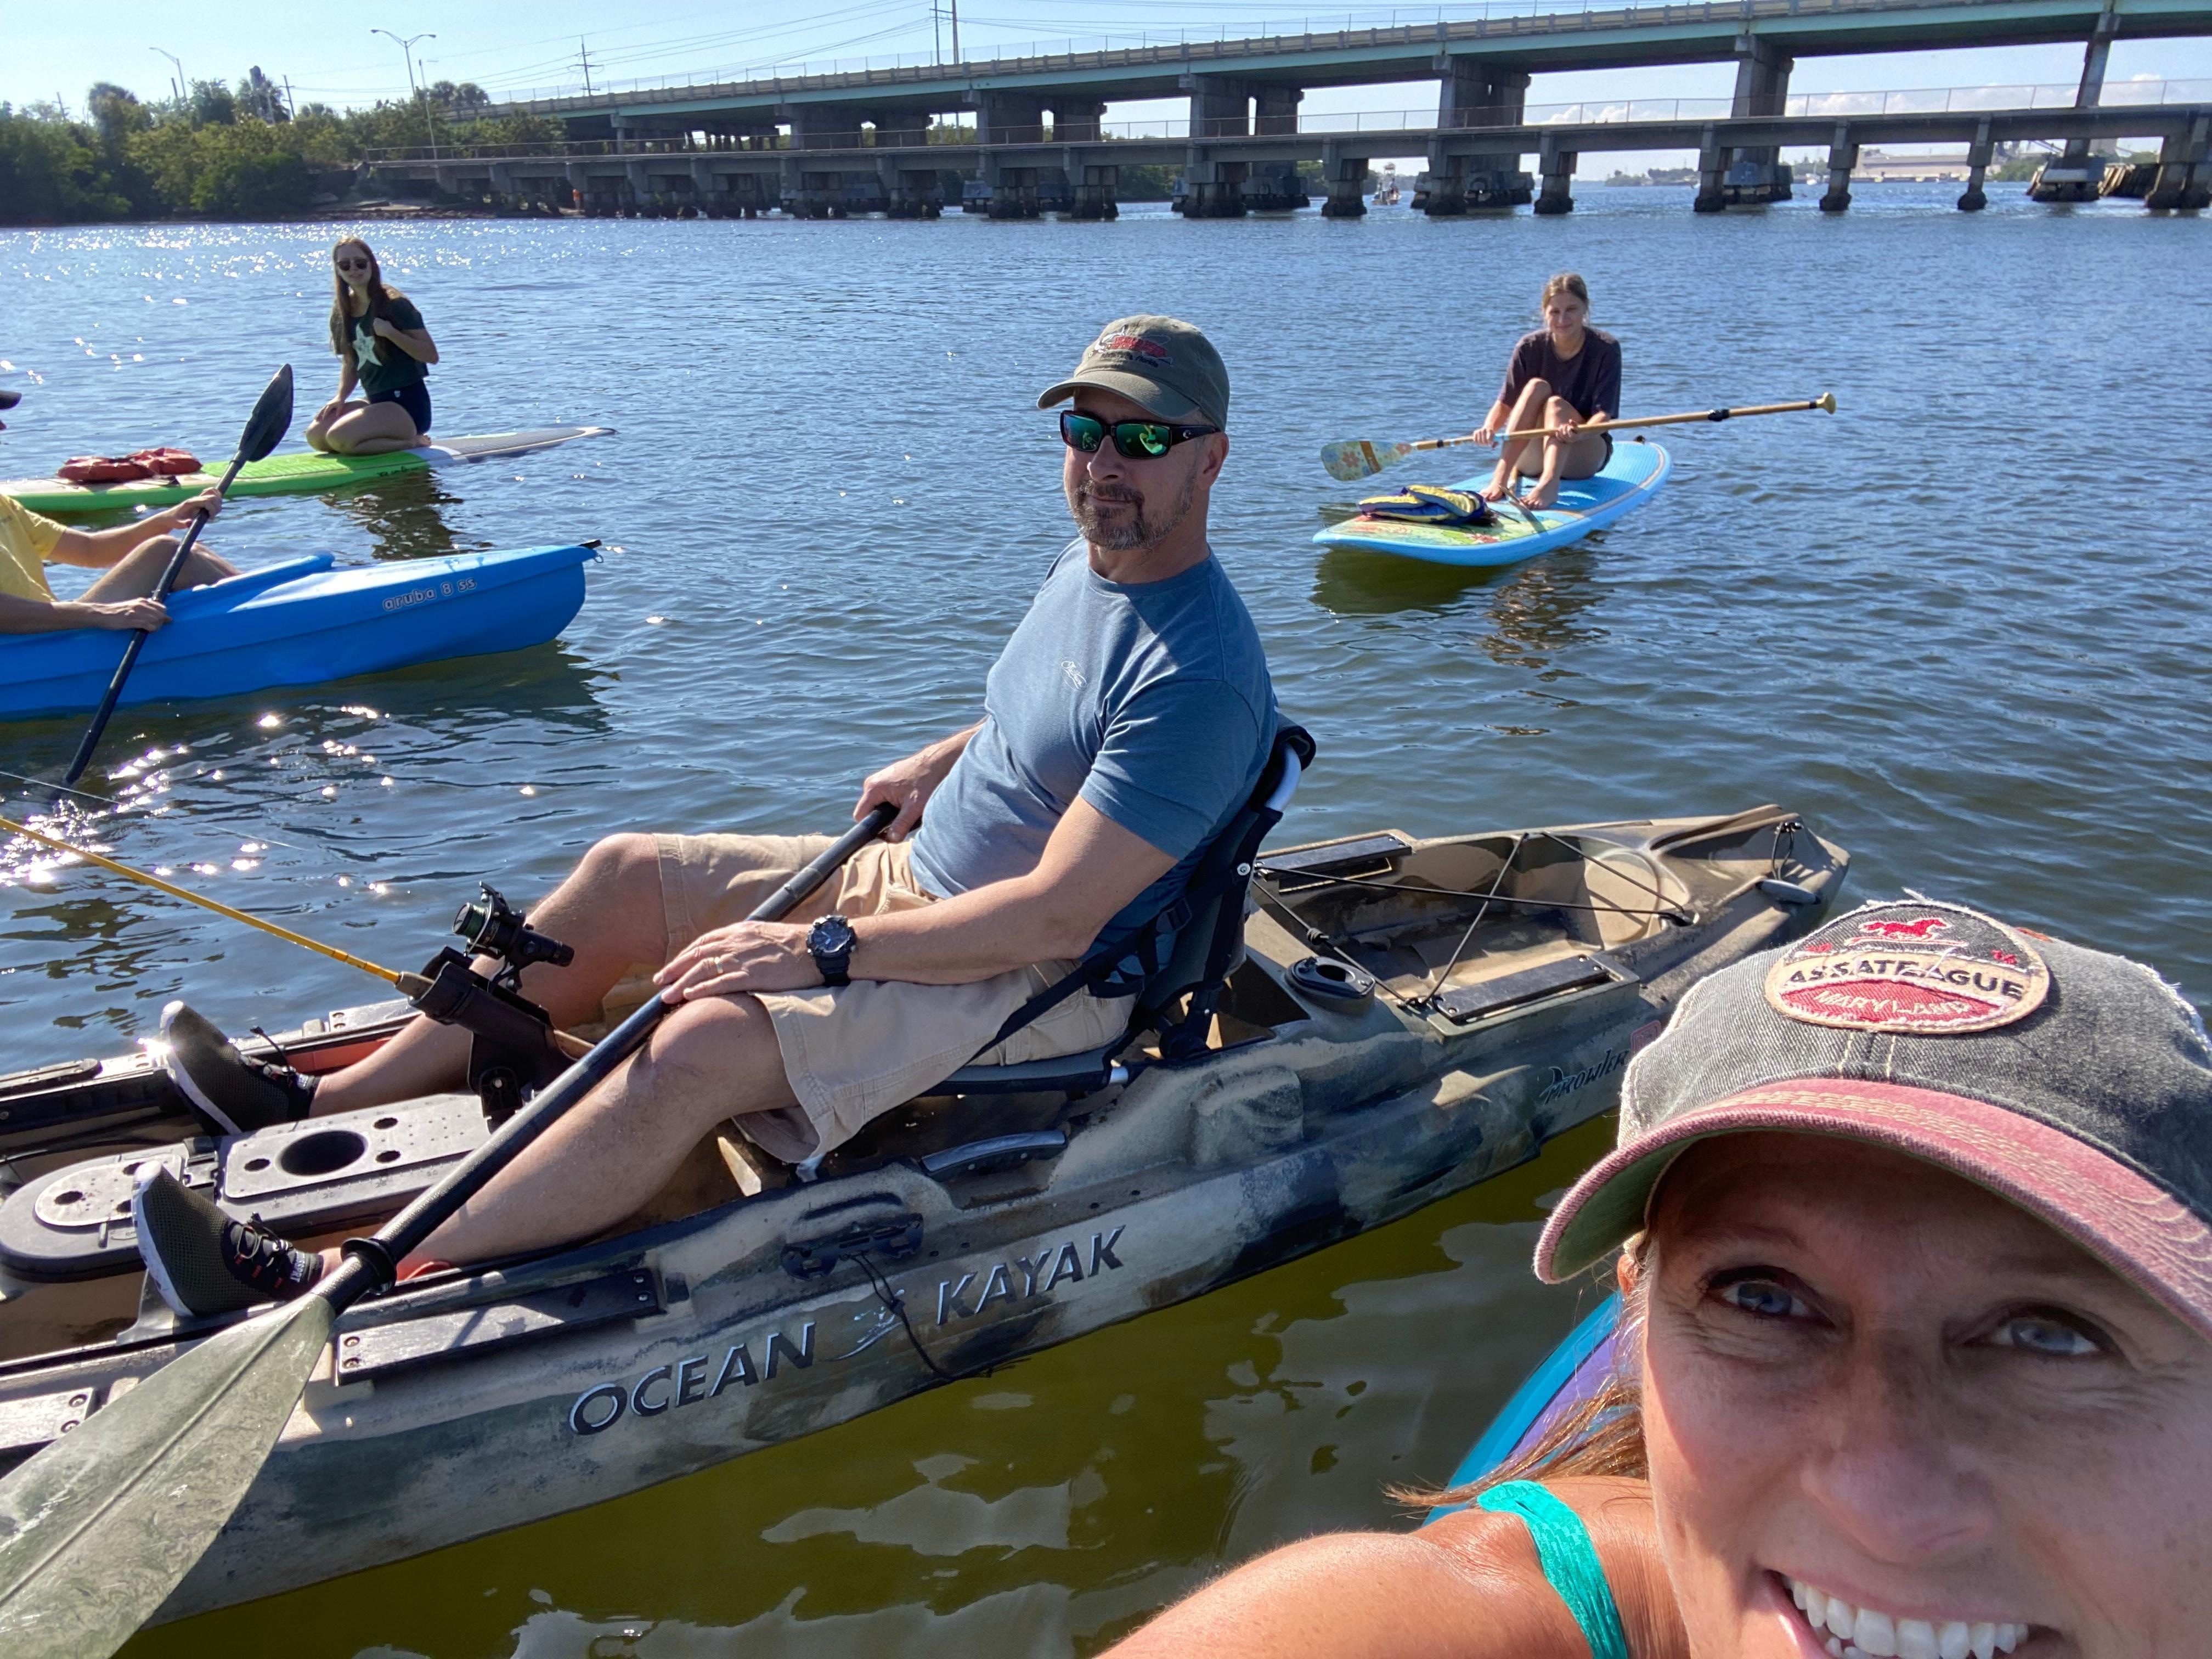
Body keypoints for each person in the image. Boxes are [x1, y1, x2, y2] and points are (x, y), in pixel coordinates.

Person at [131, 314, 1280, 1319]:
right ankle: (317, 1099)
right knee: (628, 872)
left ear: (1213, 460)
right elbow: (1042, 724)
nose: (1104, 466)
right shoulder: (1090, 566)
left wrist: (817, 950)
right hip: (929, 881)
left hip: (1031, 978)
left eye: (1142, 438)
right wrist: (935, 761)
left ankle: (342, 1278)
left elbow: (1055, 922)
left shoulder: (1198, 679)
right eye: (1084, 433)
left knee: (702, 1044)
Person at [1104, 898, 2212, 1659]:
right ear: (1639, 1312)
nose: (1886, 1507)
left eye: (2053, 1333)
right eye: (1762, 1297)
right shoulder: (1464, 1620)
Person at [0, 388, 236, 635]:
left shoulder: (4, 505)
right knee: (167, 552)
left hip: (52, 631)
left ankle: (270, 606)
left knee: (182, 552)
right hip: (25, 651)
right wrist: (102, 614)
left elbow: (90, 550)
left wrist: (166, 519)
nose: (3, 426)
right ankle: (272, 621)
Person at [1474, 273, 1621, 511]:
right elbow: (1505, 403)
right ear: (1545, 313)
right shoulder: (1528, 347)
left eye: (1571, 309)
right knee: (1536, 387)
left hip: (1583, 454)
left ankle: (1549, 484)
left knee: (1556, 405)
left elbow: (1603, 417)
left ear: (1585, 308)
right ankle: (1500, 478)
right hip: (1530, 458)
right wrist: (1489, 428)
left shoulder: (1606, 349)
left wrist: (1580, 433)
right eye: (1555, 312)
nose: (1563, 319)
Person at [303, 236, 438, 456]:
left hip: (407, 408)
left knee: (339, 438)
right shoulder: (342, 313)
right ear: (338, 270)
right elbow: (350, 362)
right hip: (376, 403)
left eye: (360, 263)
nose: (354, 269)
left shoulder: (396, 305)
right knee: (317, 436)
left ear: (372, 265)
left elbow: (431, 355)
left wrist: (392, 333)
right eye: (345, 265)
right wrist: (340, 398)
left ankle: (413, 442)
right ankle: (364, 439)